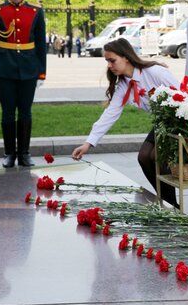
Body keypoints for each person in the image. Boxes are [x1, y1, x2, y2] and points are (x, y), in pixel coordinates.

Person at [71, 38, 181, 207]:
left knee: (156, 156)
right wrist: (88, 143)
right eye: (107, 61)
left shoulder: (155, 72)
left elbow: (183, 95)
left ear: (126, 57)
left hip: (180, 119)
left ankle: (171, 205)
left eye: (112, 60)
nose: (109, 65)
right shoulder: (124, 84)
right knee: (144, 157)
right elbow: (110, 114)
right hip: (163, 122)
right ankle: (169, 203)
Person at [0, 0, 47, 168]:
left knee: (25, 112)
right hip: (4, 68)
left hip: (29, 67)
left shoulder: (36, 11)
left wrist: (41, 73)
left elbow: (40, 44)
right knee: (7, 113)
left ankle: (24, 153)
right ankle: (9, 154)